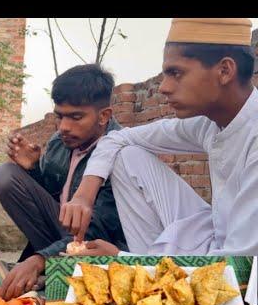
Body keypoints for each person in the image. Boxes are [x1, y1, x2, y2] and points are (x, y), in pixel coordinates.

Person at [61, 18, 258, 256]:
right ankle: (152, 277)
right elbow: (116, 139)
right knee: (127, 156)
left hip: (241, 270)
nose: (164, 87)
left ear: (224, 71)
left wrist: (121, 260)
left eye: (175, 73)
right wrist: (83, 196)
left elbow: (241, 264)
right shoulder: (208, 124)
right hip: (213, 240)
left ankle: (147, 271)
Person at [0, 64, 127, 299]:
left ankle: (53, 268)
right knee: (6, 175)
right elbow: (49, 201)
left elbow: (99, 229)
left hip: (100, 248)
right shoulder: (59, 143)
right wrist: (33, 169)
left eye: (76, 117)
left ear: (104, 116)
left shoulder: (122, 153)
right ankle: (55, 267)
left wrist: (38, 260)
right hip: (62, 237)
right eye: (60, 116)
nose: (64, 127)